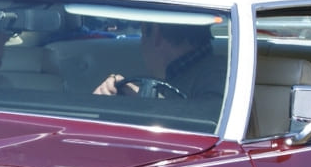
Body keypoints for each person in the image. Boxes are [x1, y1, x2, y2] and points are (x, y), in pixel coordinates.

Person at [94, 21, 225, 120]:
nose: (141, 44)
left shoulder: (219, 75)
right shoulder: (187, 71)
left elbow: (209, 121)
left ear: (155, 32)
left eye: (142, 34)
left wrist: (145, 97)